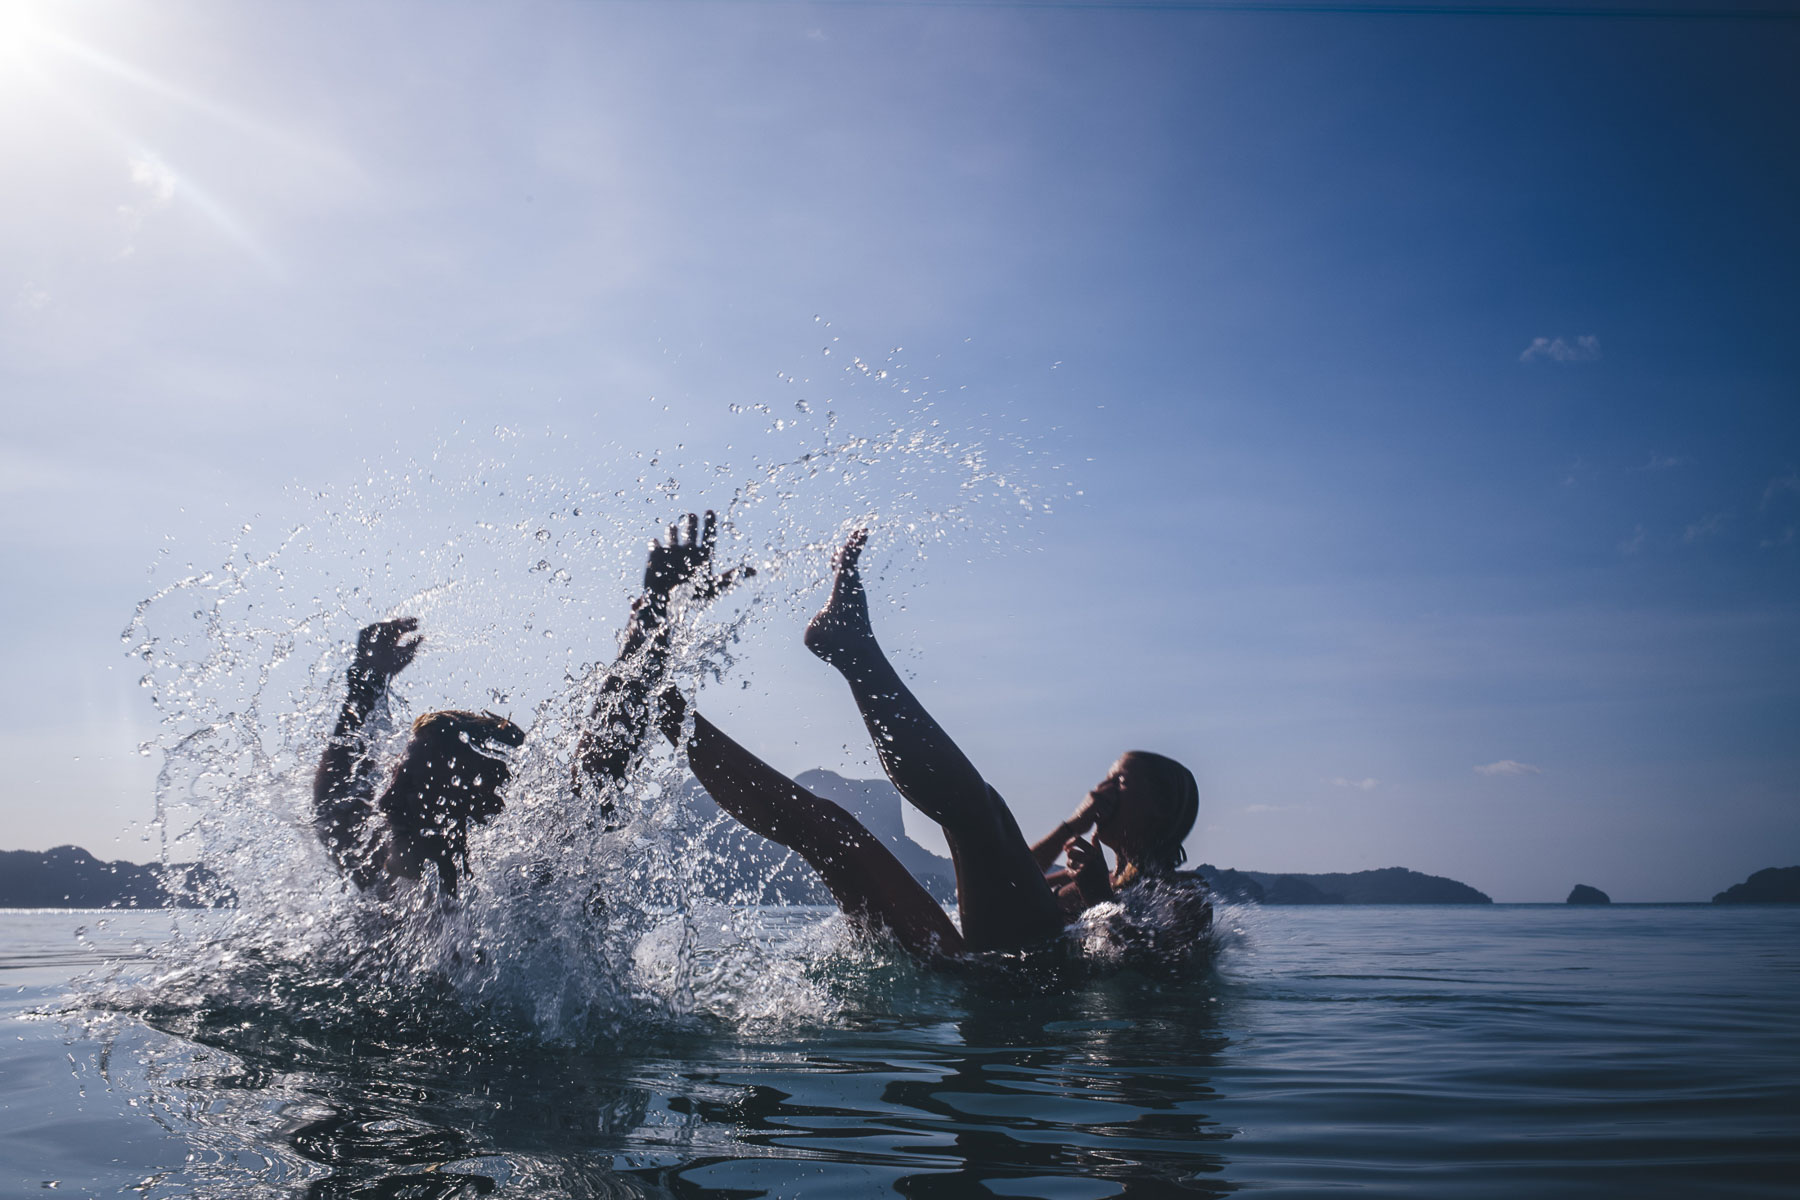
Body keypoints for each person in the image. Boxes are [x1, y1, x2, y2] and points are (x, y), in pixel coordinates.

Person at [660, 528, 1209, 965]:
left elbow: (1159, 969)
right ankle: (663, 707)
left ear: (1162, 812)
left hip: (1024, 995)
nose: (1100, 788)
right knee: (829, 827)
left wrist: (1102, 904)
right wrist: (1075, 826)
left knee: (982, 812)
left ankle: (854, 650)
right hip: (971, 967)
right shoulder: (1091, 873)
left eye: (1118, 784)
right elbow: (1013, 871)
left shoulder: (1184, 897)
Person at [313, 512, 749, 898]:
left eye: (412, 788)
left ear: (479, 798)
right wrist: (364, 685)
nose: (385, 801)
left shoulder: (536, 891)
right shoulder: (381, 870)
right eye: (396, 779)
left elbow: (612, 736)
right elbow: (332, 796)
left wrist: (656, 608)